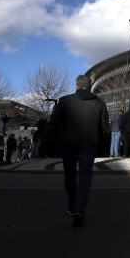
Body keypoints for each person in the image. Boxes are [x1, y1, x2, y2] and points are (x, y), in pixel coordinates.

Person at [46, 74, 109, 228]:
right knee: (85, 175)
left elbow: (53, 122)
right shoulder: (99, 103)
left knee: (70, 173)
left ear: (76, 86)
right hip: (89, 144)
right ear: (89, 86)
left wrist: (47, 140)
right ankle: (79, 209)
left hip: (68, 143)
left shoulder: (65, 101)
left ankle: (72, 205)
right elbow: (104, 129)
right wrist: (103, 148)